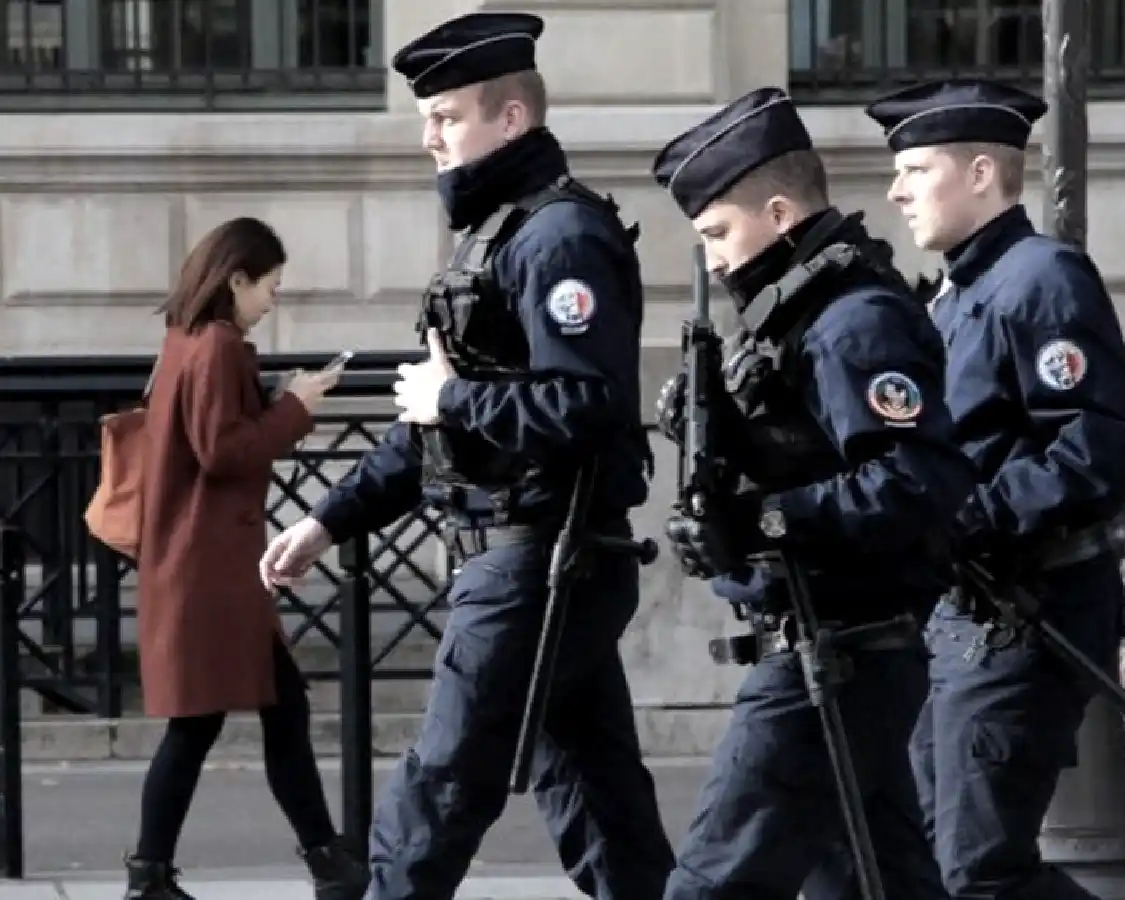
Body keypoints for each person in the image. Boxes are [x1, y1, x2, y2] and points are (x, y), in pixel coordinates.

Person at [258, 12, 674, 900]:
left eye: (446, 116)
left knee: (437, 792)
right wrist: (328, 521)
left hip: (541, 558)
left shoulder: (559, 240)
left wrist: (451, 397)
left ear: (511, 120)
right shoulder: (497, 237)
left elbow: (589, 404)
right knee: (602, 811)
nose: (428, 139)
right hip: (533, 557)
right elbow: (433, 427)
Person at [650, 85, 975, 900]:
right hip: (833, 641)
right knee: (878, 881)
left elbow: (913, 480)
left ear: (782, 211)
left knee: (715, 881)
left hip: (838, 650)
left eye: (720, 233)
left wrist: (763, 518)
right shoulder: (794, 319)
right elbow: (802, 450)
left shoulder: (850, 321)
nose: (716, 258)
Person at [865, 79, 1125, 900]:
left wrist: (982, 514)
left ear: (983, 173)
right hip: (963, 611)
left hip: (1031, 603)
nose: (897, 189)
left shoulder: (1040, 278)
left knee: (976, 871)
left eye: (917, 169)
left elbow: (1102, 437)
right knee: (926, 854)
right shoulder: (955, 293)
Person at [127, 216, 367, 900]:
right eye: (271, 285)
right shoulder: (221, 346)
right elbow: (223, 451)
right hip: (211, 569)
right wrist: (294, 406)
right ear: (236, 280)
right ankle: (158, 874)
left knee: (262, 712)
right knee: (210, 722)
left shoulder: (187, 340)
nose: (274, 299)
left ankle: (324, 861)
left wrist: (276, 400)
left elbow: (211, 434)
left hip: (202, 564)